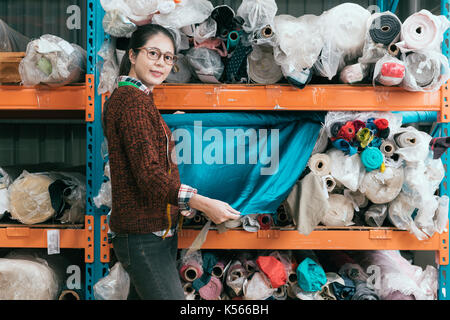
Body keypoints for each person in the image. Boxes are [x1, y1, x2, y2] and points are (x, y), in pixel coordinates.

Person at [102, 23, 241, 300]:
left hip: (150, 233)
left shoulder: (137, 99)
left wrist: (180, 203)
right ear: (132, 55)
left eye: (168, 57)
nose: (161, 63)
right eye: (153, 53)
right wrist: (200, 202)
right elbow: (149, 176)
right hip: (143, 237)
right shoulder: (133, 103)